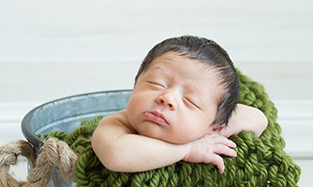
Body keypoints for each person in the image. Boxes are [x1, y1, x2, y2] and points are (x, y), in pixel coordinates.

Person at [91, 36, 268, 174]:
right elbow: (115, 155)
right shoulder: (117, 124)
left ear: (213, 128)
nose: (167, 98)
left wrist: (204, 133)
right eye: (156, 83)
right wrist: (187, 149)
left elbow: (257, 118)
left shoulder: (208, 128)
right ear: (136, 84)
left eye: (190, 101)